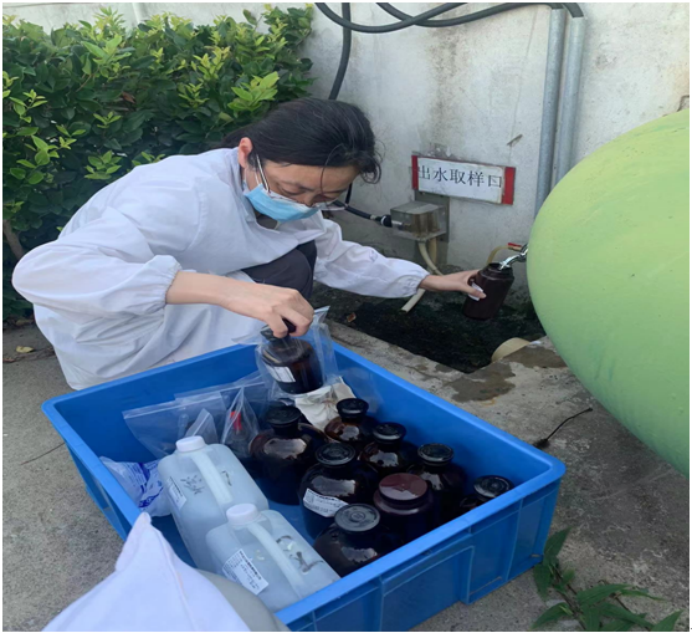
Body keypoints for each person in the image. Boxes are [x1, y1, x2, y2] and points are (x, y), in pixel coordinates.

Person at [13, 98, 484, 390]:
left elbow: (332, 253)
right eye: (292, 189)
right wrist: (228, 291)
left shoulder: (296, 201)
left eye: (325, 196)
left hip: (184, 309)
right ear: (245, 153)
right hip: (116, 333)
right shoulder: (179, 193)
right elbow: (43, 272)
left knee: (297, 259)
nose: (305, 205)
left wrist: (426, 279)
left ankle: (229, 368)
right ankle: (192, 377)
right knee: (277, 284)